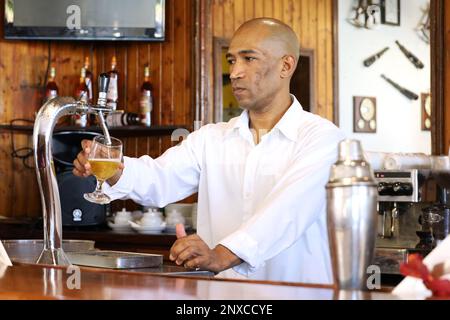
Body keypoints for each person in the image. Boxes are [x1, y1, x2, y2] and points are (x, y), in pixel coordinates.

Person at [73, 18, 346, 284]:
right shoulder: (210, 138)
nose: (235, 72)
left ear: (286, 65)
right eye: (231, 60)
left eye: (248, 59)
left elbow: (289, 210)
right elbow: (158, 179)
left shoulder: (322, 138)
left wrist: (222, 254)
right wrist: (112, 169)